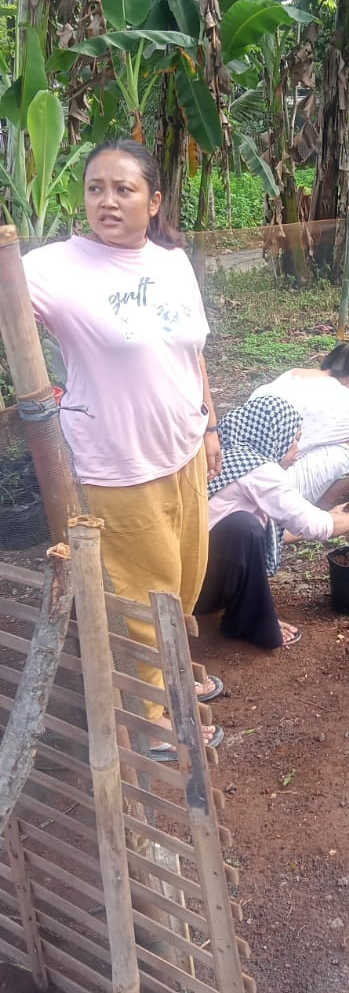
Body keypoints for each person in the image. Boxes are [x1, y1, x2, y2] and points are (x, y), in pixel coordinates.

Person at [22, 139, 223, 758]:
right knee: (141, 595)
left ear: (154, 200)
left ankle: (175, 669)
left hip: (185, 450)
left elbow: (193, 352)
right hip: (117, 462)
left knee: (185, 579)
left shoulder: (171, 263)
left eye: (124, 188)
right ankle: (154, 717)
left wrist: (211, 425)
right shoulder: (54, 268)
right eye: (94, 188)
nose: (107, 201)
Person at [195, 395, 349, 646]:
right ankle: (249, 622)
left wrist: (340, 519)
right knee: (244, 527)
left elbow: (279, 532)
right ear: (273, 435)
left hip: (188, 583)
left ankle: (246, 612)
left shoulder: (227, 457)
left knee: (247, 527)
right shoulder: (257, 469)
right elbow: (313, 525)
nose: (297, 451)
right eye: (294, 440)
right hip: (200, 593)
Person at [249, 343, 349, 507]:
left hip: (239, 474)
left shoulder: (291, 374)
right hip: (270, 487)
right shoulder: (345, 398)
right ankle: (313, 514)